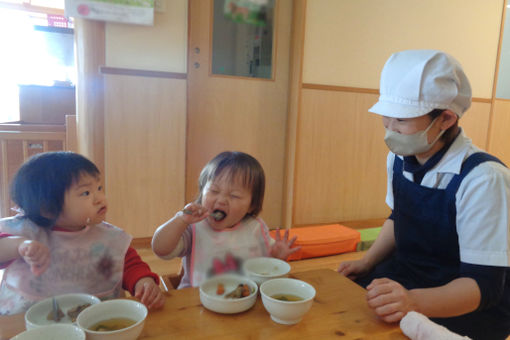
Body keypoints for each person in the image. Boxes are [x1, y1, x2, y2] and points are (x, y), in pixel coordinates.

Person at [337, 50, 510, 340]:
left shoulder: (484, 180)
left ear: (445, 119)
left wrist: (413, 302)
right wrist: (367, 262)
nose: (390, 129)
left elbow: (485, 286)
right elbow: (399, 217)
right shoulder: (400, 157)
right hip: (409, 278)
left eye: (402, 121)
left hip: (468, 304)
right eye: (387, 117)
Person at [0, 152, 165, 315]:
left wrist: (143, 281)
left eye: (99, 188)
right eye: (86, 193)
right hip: (29, 323)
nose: (100, 198)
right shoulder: (26, 231)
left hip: (95, 318)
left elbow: (128, 263)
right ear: (47, 209)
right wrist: (19, 245)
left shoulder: (107, 237)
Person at [152, 151, 300, 288]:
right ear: (202, 191)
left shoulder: (254, 228)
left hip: (244, 299)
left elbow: (265, 268)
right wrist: (180, 220)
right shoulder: (195, 228)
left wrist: (276, 258)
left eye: (234, 195)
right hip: (197, 301)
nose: (221, 200)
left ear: (251, 205)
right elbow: (160, 249)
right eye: (214, 191)